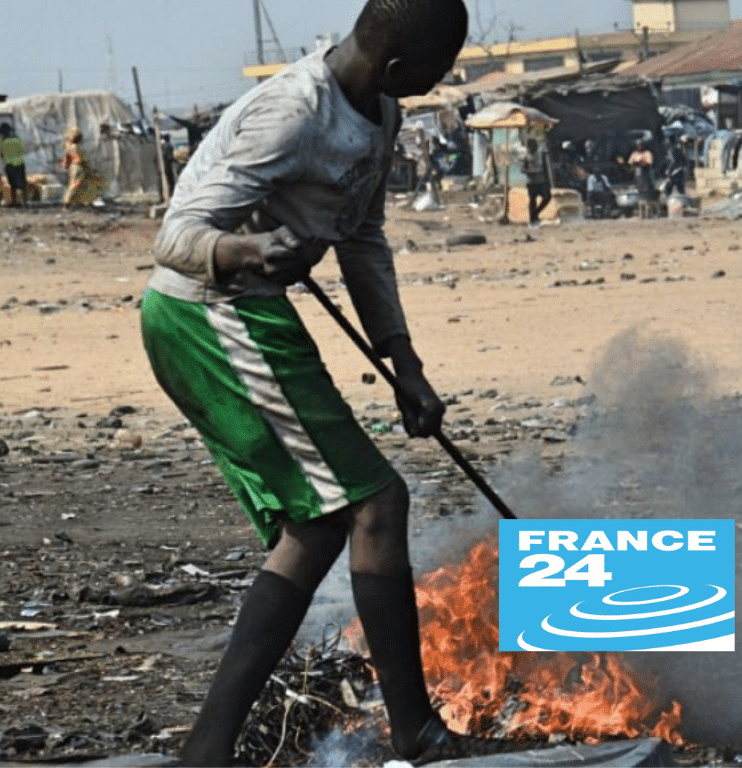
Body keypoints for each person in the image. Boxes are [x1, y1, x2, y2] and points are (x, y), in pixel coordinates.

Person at [139, 0, 472, 764]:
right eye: (436, 72)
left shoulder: (379, 113)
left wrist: (404, 364)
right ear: (395, 68)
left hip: (253, 316)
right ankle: (416, 732)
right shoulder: (290, 114)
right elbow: (174, 236)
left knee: (318, 522)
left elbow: (361, 239)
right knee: (378, 501)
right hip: (209, 317)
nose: (440, 83)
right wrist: (247, 251)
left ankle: (208, 747)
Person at [61, 127, 106, 210]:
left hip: (75, 168)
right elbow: (79, 160)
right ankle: (67, 204)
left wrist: (67, 166)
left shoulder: (69, 147)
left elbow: (67, 160)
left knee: (86, 184)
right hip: (79, 168)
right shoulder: (75, 147)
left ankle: (88, 201)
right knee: (75, 185)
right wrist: (88, 169)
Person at [521, 137, 551, 227]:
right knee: (532, 200)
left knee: (547, 197)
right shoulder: (526, 156)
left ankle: (536, 213)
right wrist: (530, 172)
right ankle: (532, 220)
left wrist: (547, 179)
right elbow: (523, 169)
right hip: (532, 181)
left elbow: (546, 168)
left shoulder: (541, 154)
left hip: (542, 180)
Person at [0, 123, 27, 207]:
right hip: (21, 164)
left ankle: (15, 202)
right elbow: (22, 150)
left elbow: (1, 154)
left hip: (10, 166)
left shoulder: (2, 141)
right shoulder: (17, 139)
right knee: (21, 184)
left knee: (13, 185)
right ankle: (23, 202)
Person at [626, 138, 655, 218]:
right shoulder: (634, 154)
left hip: (645, 177)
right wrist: (637, 164)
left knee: (646, 195)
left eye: (641, 145)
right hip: (637, 177)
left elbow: (648, 164)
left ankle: (648, 213)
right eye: (638, 145)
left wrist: (639, 163)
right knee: (639, 195)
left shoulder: (647, 153)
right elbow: (631, 165)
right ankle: (640, 213)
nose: (639, 146)